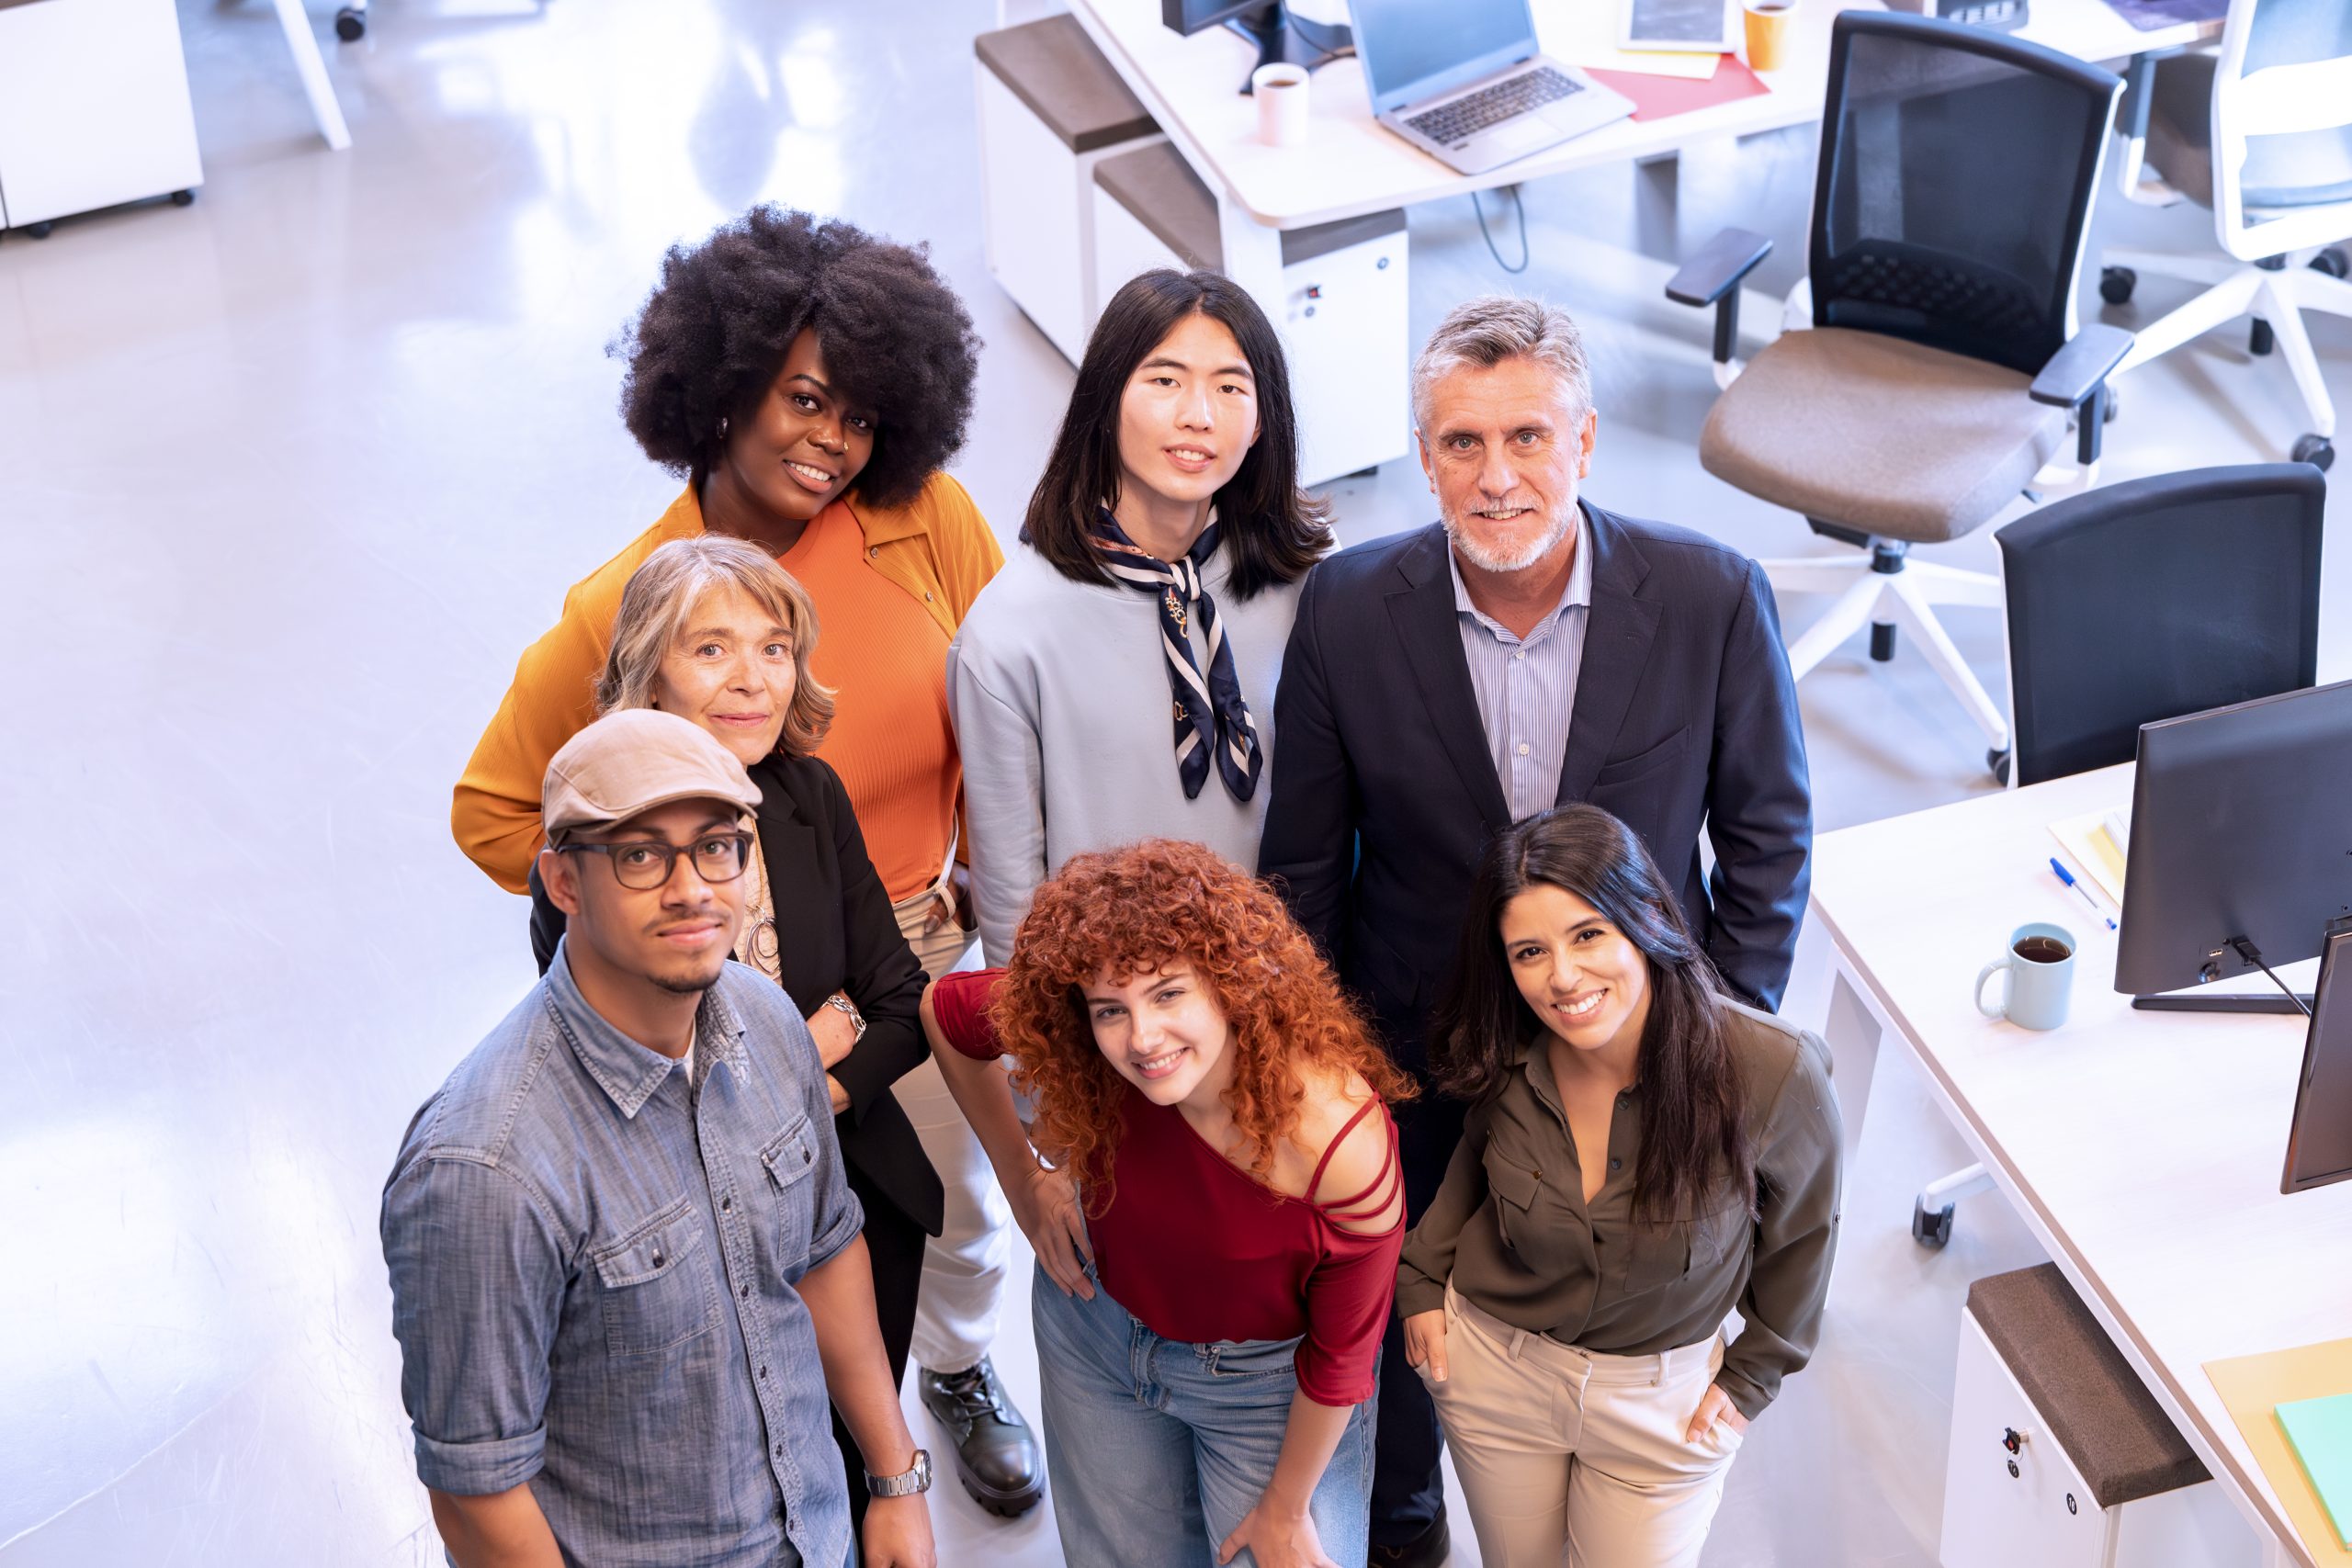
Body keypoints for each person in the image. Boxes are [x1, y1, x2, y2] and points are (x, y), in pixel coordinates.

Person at [448, 207, 1043, 1513]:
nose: (835, 443)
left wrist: (978, 887)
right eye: (806, 400)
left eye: (864, 415)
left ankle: (952, 1369)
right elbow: (497, 814)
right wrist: (659, 900)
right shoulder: (624, 599)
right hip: (726, 972)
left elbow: (1004, 700)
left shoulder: (925, 519)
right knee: (760, 1238)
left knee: (945, 1197)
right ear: (720, 391)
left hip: (918, 933)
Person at [1257, 294, 1812, 1567]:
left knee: (1603, 1332)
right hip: (1414, 1053)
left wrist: (1705, 1040)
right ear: (1421, 451)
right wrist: (1325, 1066)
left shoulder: (1712, 595)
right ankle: (1405, 1535)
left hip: (1634, 1057)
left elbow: (1768, 842)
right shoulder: (1346, 609)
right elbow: (1301, 870)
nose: (1496, 477)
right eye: (1460, 443)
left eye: (1527, 437)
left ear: (1587, 441)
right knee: (1397, 1351)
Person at [383, 709, 936, 1568]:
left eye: (718, 845)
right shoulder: (485, 1168)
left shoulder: (765, 1019)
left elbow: (825, 1250)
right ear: (562, 880)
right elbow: (479, 1495)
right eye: (640, 854)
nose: (692, 888)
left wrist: (895, 1479)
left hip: (819, 1534)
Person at [523, 535, 939, 1529]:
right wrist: (819, 1032)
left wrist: (788, 1099)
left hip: (853, 1193)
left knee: (858, 1469)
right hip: (685, 1233)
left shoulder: (810, 797)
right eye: (710, 649)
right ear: (648, 672)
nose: (751, 679)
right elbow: (628, 1075)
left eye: (774, 647)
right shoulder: (591, 843)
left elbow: (896, 1007)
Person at [920, 840, 1413, 1568]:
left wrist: (1285, 1505)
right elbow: (944, 1011)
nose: (1142, 1038)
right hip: (1095, 1333)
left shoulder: (1336, 1139)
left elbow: (1344, 1355)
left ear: (1231, 981)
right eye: (1111, 1008)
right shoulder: (1087, 1037)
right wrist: (1024, 1182)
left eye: (1169, 993)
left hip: (1268, 1388)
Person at [1397, 805, 1840, 1568]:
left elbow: (1805, 1234)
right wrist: (1421, 1277)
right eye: (1530, 951)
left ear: (1647, 918)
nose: (1562, 978)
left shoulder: (1774, 1071)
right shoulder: (1507, 1047)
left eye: (1588, 934)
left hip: (1660, 1407)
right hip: (1496, 1373)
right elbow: (1476, 1160)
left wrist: (1756, 1372)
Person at [950, 269, 1329, 964]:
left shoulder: (1313, 585)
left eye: (1230, 386)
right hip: (1117, 1015)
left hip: (1281, 988)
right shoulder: (1008, 632)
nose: (1199, 415)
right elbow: (1011, 903)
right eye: (1165, 380)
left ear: (1263, 417)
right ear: (1105, 399)